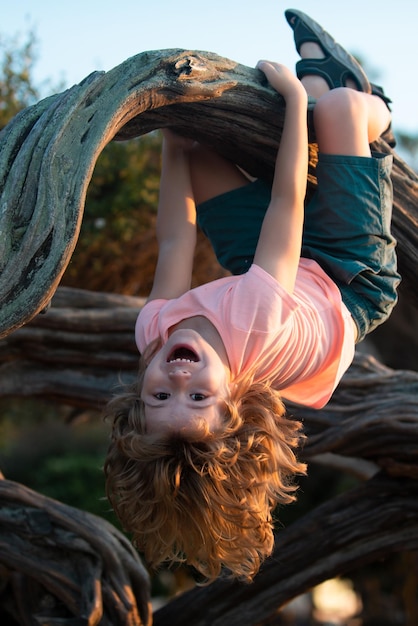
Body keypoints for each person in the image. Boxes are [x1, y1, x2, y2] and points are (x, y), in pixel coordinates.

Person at [104, 9, 400, 583]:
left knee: (197, 143)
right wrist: (291, 101)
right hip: (346, 277)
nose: (178, 382)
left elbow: (175, 236)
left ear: (139, 395)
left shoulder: (152, 333)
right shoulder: (256, 321)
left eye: (160, 398)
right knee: (336, 111)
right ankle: (370, 105)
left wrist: (169, 134)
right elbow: (288, 203)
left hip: (264, 267)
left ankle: (320, 84)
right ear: (234, 401)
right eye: (197, 402)